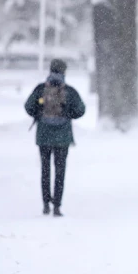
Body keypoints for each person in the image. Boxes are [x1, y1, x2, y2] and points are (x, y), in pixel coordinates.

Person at [25, 59, 86, 217]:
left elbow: (28, 106)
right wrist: (68, 115)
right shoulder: (69, 91)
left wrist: (39, 113)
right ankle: (57, 206)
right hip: (62, 137)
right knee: (60, 171)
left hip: (44, 136)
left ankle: (46, 203)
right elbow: (81, 109)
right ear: (64, 71)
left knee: (45, 170)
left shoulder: (40, 89)